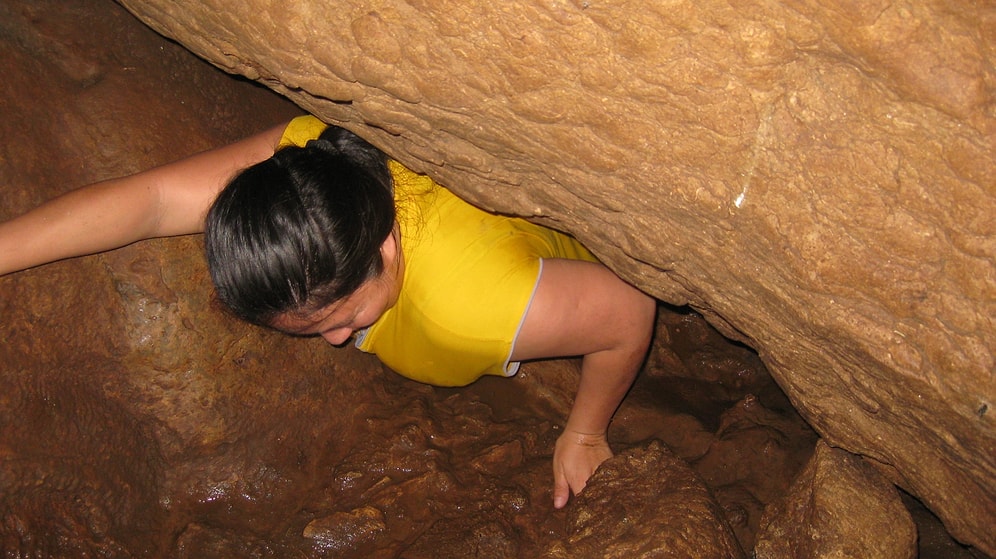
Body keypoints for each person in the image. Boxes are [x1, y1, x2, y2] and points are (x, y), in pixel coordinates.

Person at [0, 115, 656, 509]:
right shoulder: (317, 165)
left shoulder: (469, 309)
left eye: (343, 315)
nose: (338, 339)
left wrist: (585, 431)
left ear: (387, 244)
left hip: (532, 280)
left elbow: (629, 307)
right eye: (314, 329)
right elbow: (150, 202)